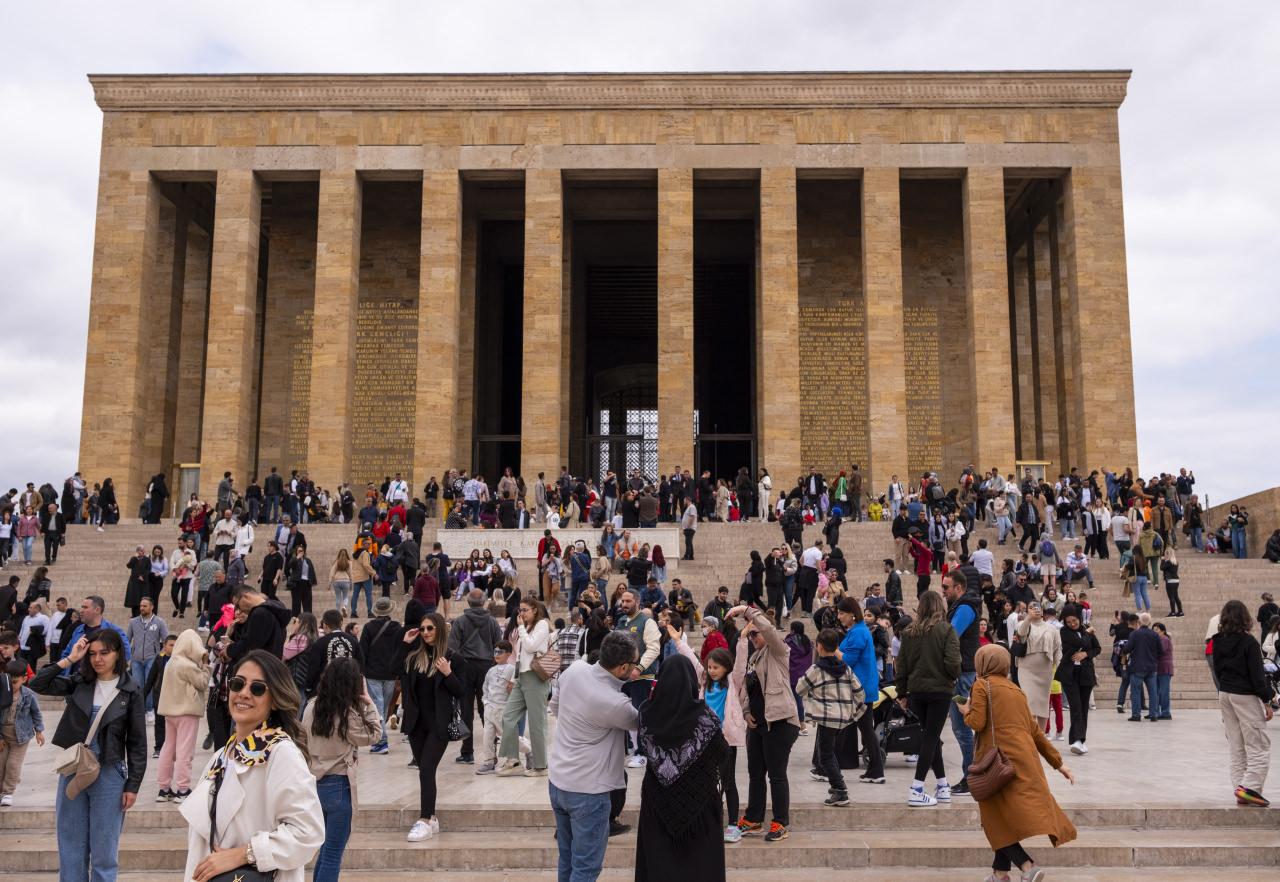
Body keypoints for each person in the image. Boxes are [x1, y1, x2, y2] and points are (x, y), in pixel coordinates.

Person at [181, 650, 323, 882]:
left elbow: (308, 832)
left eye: (257, 688)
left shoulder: (281, 753)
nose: (244, 693)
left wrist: (244, 854)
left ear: (275, 699)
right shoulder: (220, 756)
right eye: (238, 684)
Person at [31, 628, 147, 882]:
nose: (97, 659)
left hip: (110, 772)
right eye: (93, 653)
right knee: (71, 846)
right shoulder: (80, 682)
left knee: (105, 850)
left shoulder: (131, 690)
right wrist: (70, 659)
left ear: (118, 654)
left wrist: (133, 785)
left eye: (104, 652)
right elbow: (38, 683)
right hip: (74, 769)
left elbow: (138, 743)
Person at [960, 643, 1077, 882]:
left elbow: (977, 722)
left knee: (993, 818)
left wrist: (965, 710)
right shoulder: (1016, 690)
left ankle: (1027, 866)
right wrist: (1059, 764)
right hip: (1022, 762)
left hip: (995, 764)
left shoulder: (982, 685)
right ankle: (1000, 874)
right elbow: (1036, 732)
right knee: (1000, 818)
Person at [548, 631, 641, 881]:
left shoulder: (576, 669)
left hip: (558, 781)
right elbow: (642, 723)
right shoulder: (615, 703)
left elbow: (555, 706)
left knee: (567, 858)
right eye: (635, 664)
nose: (636, 669)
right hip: (588, 792)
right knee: (586, 867)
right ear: (623, 667)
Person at [634, 652, 728, 880]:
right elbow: (722, 753)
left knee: (660, 866)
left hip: (657, 805)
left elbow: (644, 747)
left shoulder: (646, 713)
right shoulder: (705, 716)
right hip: (700, 806)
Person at [303, 657, 383, 882]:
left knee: (325, 851)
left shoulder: (311, 706)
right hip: (338, 785)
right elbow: (374, 735)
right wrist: (368, 702)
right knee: (332, 854)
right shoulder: (347, 714)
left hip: (314, 783)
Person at [726, 603, 799, 842]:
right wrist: (746, 712)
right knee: (755, 773)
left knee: (776, 774)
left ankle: (780, 822)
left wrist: (747, 610)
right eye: (751, 634)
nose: (754, 636)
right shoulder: (754, 657)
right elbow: (747, 691)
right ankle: (754, 819)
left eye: (756, 633)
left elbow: (767, 630)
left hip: (780, 721)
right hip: (757, 725)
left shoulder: (779, 651)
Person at [396, 611, 464, 840]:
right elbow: (392, 672)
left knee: (426, 768)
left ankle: (425, 819)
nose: (425, 633)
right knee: (425, 771)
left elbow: (461, 692)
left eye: (430, 628)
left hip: (439, 725)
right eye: (423, 629)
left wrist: (448, 673)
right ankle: (432, 818)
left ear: (439, 630)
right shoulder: (414, 657)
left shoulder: (452, 657)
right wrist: (404, 645)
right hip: (416, 724)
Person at [894, 589, 960, 806]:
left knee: (931, 737)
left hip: (915, 691)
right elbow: (953, 664)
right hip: (940, 690)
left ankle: (942, 785)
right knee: (931, 737)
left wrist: (902, 693)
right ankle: (917, 788)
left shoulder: (909, 632)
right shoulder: (946, 630)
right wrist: (953, 676)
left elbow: (901, 667)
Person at [1211, 600, 1277, 806]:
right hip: (1245, 695)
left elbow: (1217, 670)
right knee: (1258, 744)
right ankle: (1249, 788)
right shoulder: (1249, 643)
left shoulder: (1217, 640)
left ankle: (1240, 788)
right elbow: (1257, 677)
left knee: (1237, 746)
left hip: (1226, 693)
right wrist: (1269, 698)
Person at [796, 628, 864, 807]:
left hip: (826, 718)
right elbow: (859, 692)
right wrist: (853, 710)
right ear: (836, 647)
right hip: (843, 719)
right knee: (830, 753)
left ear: (818, 646)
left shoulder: (817, 669)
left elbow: (799, 688)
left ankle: (840, 790)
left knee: (825, 755)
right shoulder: (846, 668)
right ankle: (837, 789)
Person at [497, 599, 552, 776]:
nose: (522, 614)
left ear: (535, 610)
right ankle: (513, 760)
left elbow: (531, 646)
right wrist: (514, 678)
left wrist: (520, 628)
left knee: (537, 723)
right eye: (520, 610)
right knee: (508, 717)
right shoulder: (526, 628)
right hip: (522, 677)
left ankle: (541, 766)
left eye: (525, 610)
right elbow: (520, 655)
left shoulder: (542, 624)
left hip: (536, 678)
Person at [449, 587, 503, 765]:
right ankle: (492, 749)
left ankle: (467, 752)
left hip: (465, 667)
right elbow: (499, 645)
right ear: (484, 602)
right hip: (486, 666)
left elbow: (452, 648)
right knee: (486, 708)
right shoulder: (492, 622)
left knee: (465, 710)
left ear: (468, 602)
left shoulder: (460, 621)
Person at [836, 596, 884, 783]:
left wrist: (834, 650)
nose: (839, 617)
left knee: (855, 729)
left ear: (851, 615)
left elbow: (847, 660)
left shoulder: (857, 633)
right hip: (862, 688)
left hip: (859, 690)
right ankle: (875, 770)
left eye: (842, 613)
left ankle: (827, 766)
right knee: (865, 730)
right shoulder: (859, 630)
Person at [358, 596, 403, 754]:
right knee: (382, 707)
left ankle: (382, 740)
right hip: (390, 673)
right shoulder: (397, 627)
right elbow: (400, 650)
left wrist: (361, 670)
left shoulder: (369, 627)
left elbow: (362, 650)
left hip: (373, 672)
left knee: (378, 704)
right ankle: (379, 737)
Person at [1055, 604, 1101, 756]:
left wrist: (1086, 654)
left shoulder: (1084, 630)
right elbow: (1079, 643)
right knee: (1075, 707)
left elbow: (1097, 648)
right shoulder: (1064, 632)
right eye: (1069, 622)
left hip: (1085, 673)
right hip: (1069, 674)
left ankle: (1081, 740)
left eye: (1074, 620)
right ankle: (1075, 740)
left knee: (1083, 708)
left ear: (1079, 618)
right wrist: (1088, 633)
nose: (1072, 624)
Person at [0, 658, 45, 807]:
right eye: (9, 681)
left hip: (21, 738)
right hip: (3, 738)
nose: (12, 686)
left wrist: (39, 731)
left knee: (13, 765)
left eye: (15, 682)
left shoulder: (28, 695)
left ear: (24, 679)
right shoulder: (2, 693)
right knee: (1, 765)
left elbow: (36, 713)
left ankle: (7, 792)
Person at [1015, 602, 1063, 731]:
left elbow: (1058, 649)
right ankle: (1030, 736)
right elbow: (1021, 633)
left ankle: (1041, 737)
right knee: (1029, 703)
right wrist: (1028, 618)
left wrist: (1060, 668)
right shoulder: (1023, 623)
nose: (1035, 610)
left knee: (1043, 705)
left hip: (1045, 670)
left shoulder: (1052, 628)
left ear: (1042, 611)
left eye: (1037, 607)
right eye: (1031, 607)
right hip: (1026, 669)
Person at [127, 597, 169, 720]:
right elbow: (127, 639)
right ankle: (140, 710)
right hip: (136, 660)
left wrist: (160, 656)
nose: (142, 608)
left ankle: (150, 710)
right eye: (141, 606)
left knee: (149, 685)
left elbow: (167, 640)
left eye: (145, 606)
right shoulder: (133, 622)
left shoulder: (159, 622)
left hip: (152, 659)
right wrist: (127, 656)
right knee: (137, 685)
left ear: (152, 607)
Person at [1125, 612, 1161, 722]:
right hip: (1151, 667)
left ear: (1139, 622)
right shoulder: (1155, 635)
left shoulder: (1135, 634)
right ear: (1150, 623)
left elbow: (1127, 648)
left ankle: (1136, 715)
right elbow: (1160, 651)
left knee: (1135, 691)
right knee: (1153, 692)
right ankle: (1153, 714)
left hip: (1137, 667)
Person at [1153, 621, 1175, 721]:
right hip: (1157, 668)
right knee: (1156, 691)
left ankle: (1166, 712)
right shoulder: (1159, 639)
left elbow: (1160, 650)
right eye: (1153, 630)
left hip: (1164, 668)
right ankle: (1156, 712)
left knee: (1163, 691)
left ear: (1163, 631)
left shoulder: (1164, 639)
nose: (1155, 632)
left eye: (1157, 630)